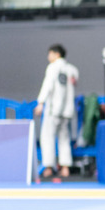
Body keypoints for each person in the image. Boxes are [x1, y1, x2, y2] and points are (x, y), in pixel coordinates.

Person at [34, 44, 79, 179]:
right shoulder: (72, 70)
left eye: (50, 54)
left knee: (47, 137)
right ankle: (65, 168)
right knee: (64, 138)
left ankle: (48, 167)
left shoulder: (52, 68)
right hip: (67, 111)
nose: (49, 57)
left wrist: (40, 102)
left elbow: (47, 86)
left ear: (56, 54)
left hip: (53, 110)